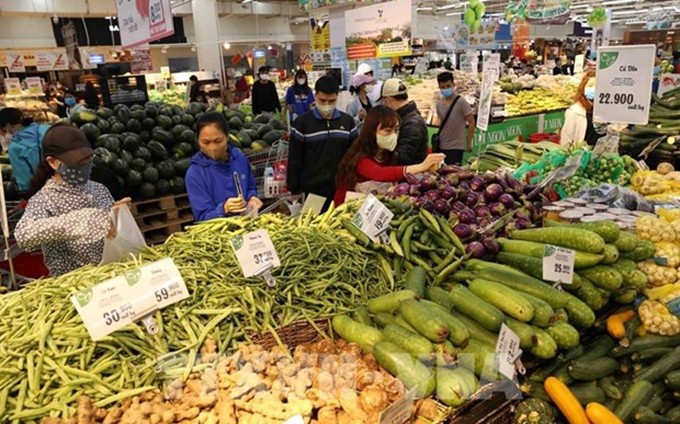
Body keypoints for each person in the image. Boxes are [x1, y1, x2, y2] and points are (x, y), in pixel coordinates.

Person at [14, 124, 116, 276]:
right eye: (77, 162)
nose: (85, 165)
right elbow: (24, 236)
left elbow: (112, 230)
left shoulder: (99, 189)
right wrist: (76, 221)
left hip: (111, 275)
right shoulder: (44, 200)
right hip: (76, 284)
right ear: (53, 162)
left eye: (88, 158)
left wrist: (118, 214)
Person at [334, 106, 445, 205]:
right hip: (346, 208)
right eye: (388, 130)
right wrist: (421, 166)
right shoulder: (360, 157)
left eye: (396, 130)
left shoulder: (386, 154)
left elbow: (393, 174)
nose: (393, 135)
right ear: (372, 131)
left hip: (369, 207)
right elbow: (380, 173)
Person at [287, 76, 357, 210]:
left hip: (341, 189)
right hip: (312, 191)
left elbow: (354, 155)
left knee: (341, 226)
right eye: (322, 100)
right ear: (315, 96)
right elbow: (295, 158)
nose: (327, 105)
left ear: (338, 96)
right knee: (314, 226)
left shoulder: (347, 122)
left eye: (332, 101)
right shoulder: (302, 124)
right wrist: (294, 189)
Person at [186, 112, 262, 222]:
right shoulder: (195, 173)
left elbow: (250, 187)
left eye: (218, 141)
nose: (212, 147)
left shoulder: (239, 158)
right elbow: (202, 217)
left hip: (246, 225)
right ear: (198, 141)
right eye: (206, 142)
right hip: (217, 233)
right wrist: (223, 209)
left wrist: (252, 197)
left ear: (227, 137)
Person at [0, 108, 50, 194]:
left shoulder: (15, 148)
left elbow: (25, 183)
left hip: (43, 191)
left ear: (8, 126)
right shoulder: (46, 129)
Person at [379, 78, 427, 166]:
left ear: (388, 100)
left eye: (383, 101)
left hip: (410, 175)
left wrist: (380, 151)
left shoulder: (412, 123)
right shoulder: (405, 117)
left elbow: (403, 157)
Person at [435, 72, 475, 165]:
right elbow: (441, 122)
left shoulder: (461, 102)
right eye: (442, 87)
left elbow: (471, 122)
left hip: (456, 147)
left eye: (448, 86)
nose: (445, 89)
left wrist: (469, 141)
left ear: (453, 84)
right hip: (441, 145)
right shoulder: (439, 104)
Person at [560, 70, 601, 147]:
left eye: (597, 86)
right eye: (590, 85)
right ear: (583, 86)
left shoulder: (606, 111)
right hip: (583, 156)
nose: (594, 89)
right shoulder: (574, 111)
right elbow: (566, 141)